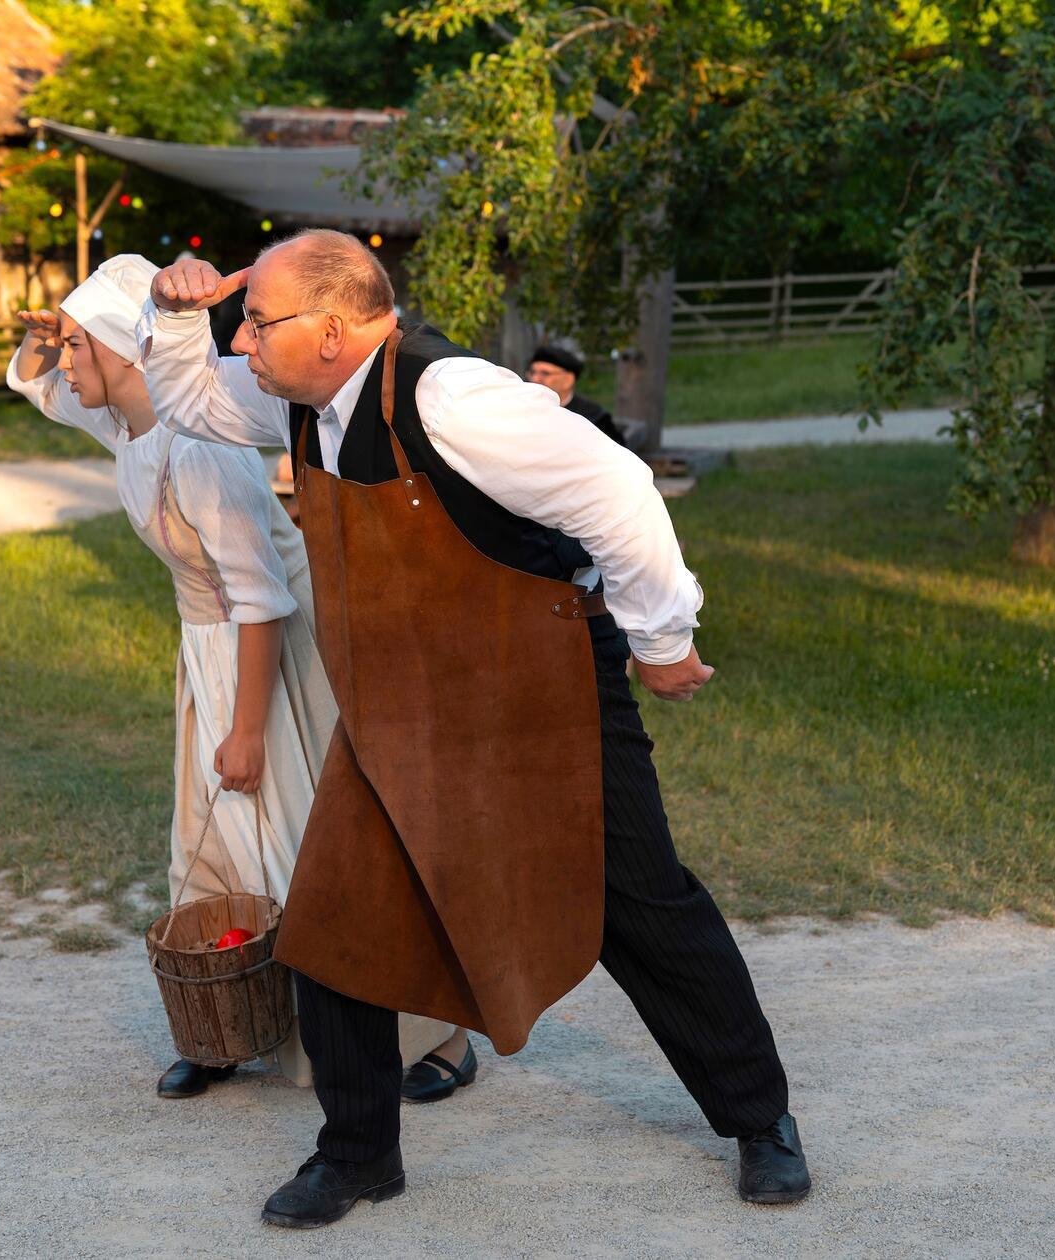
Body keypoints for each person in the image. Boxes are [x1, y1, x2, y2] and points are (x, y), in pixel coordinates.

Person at [139, 229, 810, 1228]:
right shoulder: (299, 398)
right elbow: (190, 397)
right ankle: (357, 1153)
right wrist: (173, 313)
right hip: (395, 705)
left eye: (258, 320)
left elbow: (617, 488)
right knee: (333, 922)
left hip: (538, 693)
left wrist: (661, 638)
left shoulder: (451, 397)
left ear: (332, 330)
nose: (242, 341)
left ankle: (758, 1118)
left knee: (639, 905)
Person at [7, 253, 464, 1101]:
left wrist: (248, 729)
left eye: (76, 345)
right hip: (209, 646)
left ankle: (427, 1038)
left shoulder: (199, 450)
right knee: (214, 839)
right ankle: (230, 1025)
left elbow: (263, 598)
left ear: (121, 351)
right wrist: (46, 341)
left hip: (269, 654)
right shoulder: (133, 421)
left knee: (300, 849)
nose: (65, 363)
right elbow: (48, 392)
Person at [527, 343, 626, 446]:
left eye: (545, 373)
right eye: (532, 372)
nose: (534, 379)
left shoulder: (594, 417)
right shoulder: (521, 408)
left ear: (568, 380)